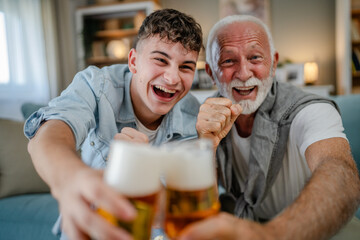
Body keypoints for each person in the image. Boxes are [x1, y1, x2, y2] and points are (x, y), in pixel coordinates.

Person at [24, 8, 203, 240]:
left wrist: (145, 173)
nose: (172, 78)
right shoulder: (96, 84)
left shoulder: (192, 114)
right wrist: (70, 178)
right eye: (160, 60)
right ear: (134, 61)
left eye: (186, 67)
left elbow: (185, 211)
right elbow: (51, 132)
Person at [179, 15, 360, 240]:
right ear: (211, 72)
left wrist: (270, 235)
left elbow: (339, 172)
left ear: (273, 63)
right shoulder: (203, 117)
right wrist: (206, 143)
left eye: (255, 57)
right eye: (228, 61)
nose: (244, 73)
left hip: (317, 227)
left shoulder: (309, 110)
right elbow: (197, 208)